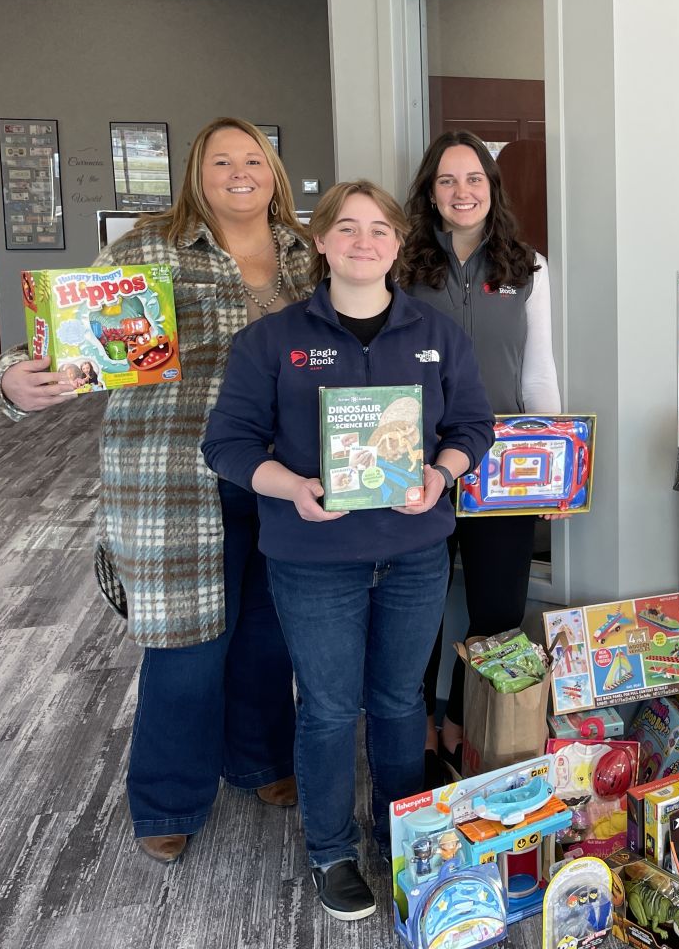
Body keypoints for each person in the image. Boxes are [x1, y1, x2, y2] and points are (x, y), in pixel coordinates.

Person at [0, 117, 309, 863]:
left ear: (274, 173)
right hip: (175, 479)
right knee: (186, 646)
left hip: (283, 479)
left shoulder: (305, 253)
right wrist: (11, 377)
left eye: (252, 159)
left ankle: (260, 762)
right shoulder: (148, 249)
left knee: (268, 632)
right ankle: (168, 798)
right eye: (220, 160)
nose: (238, 172)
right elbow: (62, 335)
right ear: (197, 173)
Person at [203, 180, 494, 920]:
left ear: (397, 246)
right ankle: (331, 850)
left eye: (379, 230)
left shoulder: (436, 334)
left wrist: (440, 473)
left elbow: (473, 428)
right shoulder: (271, 341)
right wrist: (293, 486)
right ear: (323, 241)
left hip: (415, 552)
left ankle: (400, 835)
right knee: (330, 708)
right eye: (348, 229)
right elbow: (227, 446)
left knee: (399, 702)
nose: (364, 242)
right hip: (312, 558)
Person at [397, 131, 561, 783]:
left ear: (492, 189)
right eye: (447, 180)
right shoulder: (401, 264)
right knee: (417, 608)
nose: (462, 192)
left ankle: (469, 732)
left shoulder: (528, 267)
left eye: (474, 179)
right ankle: (420, 735)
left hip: (502, 467)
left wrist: (557, 472)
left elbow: (539, 374)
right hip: (414, 463)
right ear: (429, 192)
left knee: (496, 612)